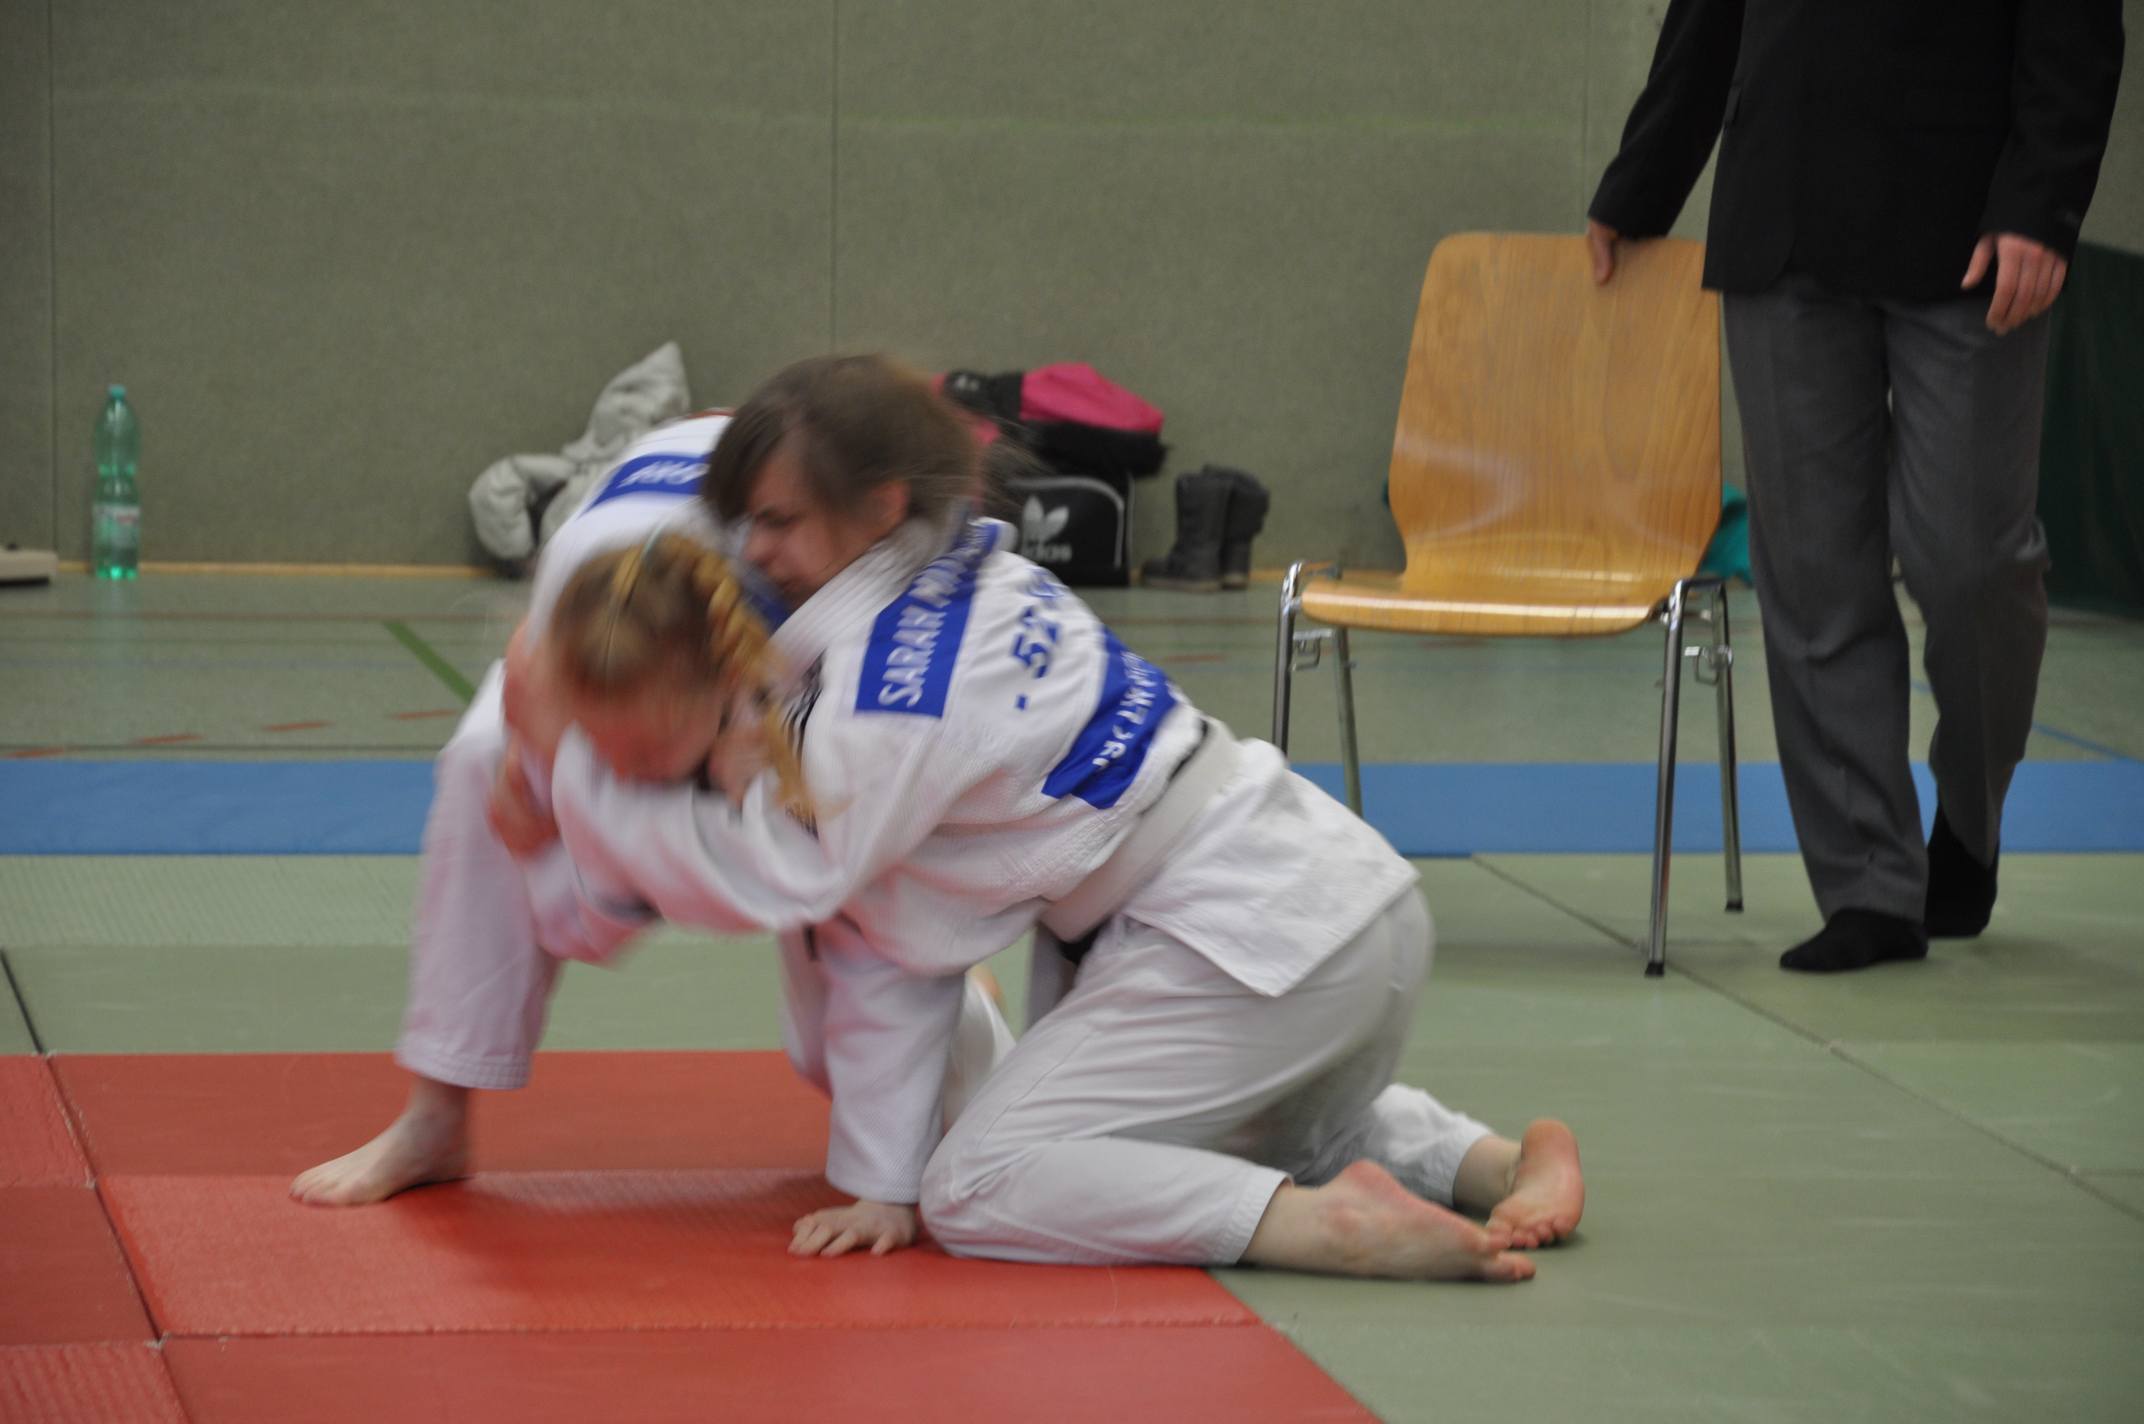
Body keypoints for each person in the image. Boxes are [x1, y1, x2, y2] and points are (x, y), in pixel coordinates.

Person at [517, 353, 1586, 1279]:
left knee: (978, 1184)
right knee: (1189, 1130)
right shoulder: (964, 571)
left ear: (880, 507)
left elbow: (790, 872)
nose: (753, 551)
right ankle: (1490, 1164)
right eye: (748, 521)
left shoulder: (894, 698)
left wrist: (585, 791)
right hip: (1328, 911)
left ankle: (1319, 1225)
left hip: (1250, 943)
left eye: (779, 521)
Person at [290, 409, 1016, 1241]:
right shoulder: (562, 644)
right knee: (477, 760)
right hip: (661, 549)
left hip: (803, 617)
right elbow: (582, 915)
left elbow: (777, 875)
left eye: (648, 754)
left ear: (728, 694)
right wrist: (539, 782)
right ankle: (436, 1117)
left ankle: (959, 988)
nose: (630, 775)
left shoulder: (815, 648)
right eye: (612, 751)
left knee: (854, 1033)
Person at [1586, 1, 2126, 972]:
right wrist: (1642, 181)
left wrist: (2042, 203)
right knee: (1812, 574)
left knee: (1971, 565)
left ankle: (1968, 816)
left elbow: (2072, 20)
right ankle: (1869, 886)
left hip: (1971, 224)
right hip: (1780, 212)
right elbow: (1707, 16)